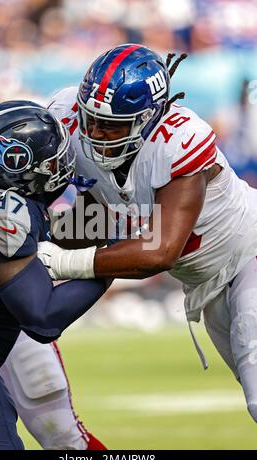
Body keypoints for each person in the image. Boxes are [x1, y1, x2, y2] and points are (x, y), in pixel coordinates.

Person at [38, 43, 257, 427]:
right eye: (90, 119)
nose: (95, 133)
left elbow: (160, 252)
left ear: (150, 117)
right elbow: (96, 219)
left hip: (248, 256)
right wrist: (32, 235)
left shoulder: (178, 139)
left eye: (112, 125)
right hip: (208, 283)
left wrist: (62, 263)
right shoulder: (66, 115)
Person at [0, 100, 109, 450]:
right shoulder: (0, 211)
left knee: (61, 434)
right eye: (52, 163)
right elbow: (42, 317)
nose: (61, 169)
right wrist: (111, 264)